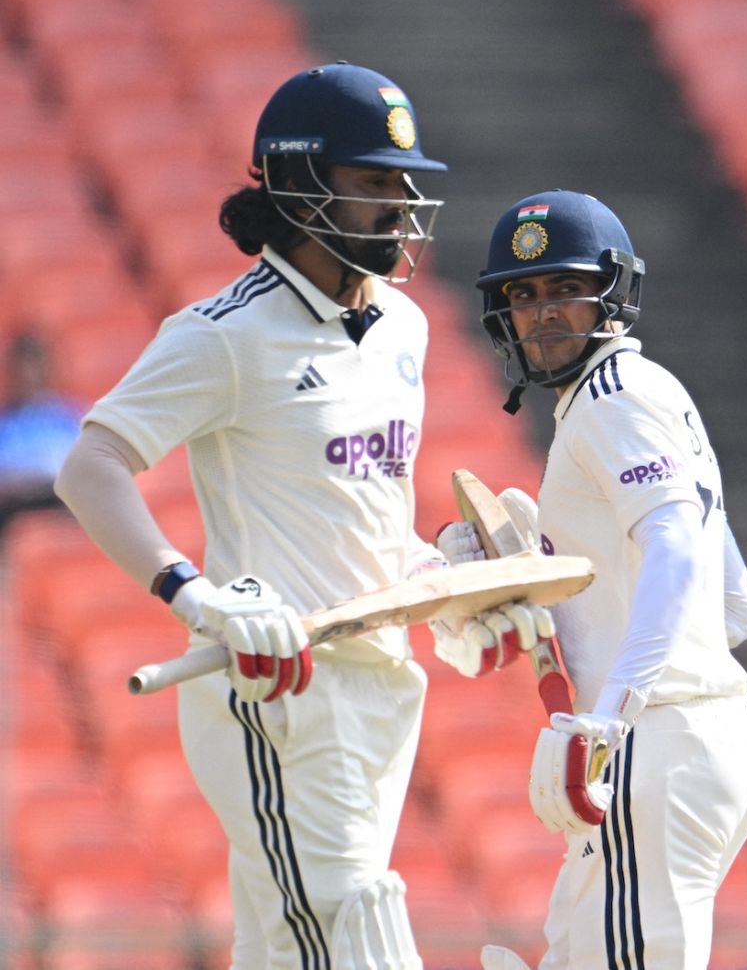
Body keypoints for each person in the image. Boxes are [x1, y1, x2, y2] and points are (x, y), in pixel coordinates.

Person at [54, 61, 552, 970]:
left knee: (284, 947)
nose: (400, 208)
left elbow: (366, 520)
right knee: (353, 916)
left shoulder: (405, 326)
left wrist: (447, 587)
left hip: (381, 685)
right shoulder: (224, 335)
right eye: (373, 184)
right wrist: (197, 596)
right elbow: (90, 466)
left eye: (405, 187)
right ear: (298, 183)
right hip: (274, 685)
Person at [436, 190, 747, 970]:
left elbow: (680, 553)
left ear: (613, 292)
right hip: (697, 741)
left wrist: (610, 718)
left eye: (564, 289)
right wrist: (538, 594)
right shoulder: (650, 395)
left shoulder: (609, 403)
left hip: (651, 747)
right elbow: (734, 605)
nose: (544, 312)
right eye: (524, 295)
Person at [0, 330, 81, 533]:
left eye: (33, 367)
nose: (27, 376)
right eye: (20, 369)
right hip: (14, 508)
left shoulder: (70, 416)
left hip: (62, 503)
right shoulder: (6, 423)